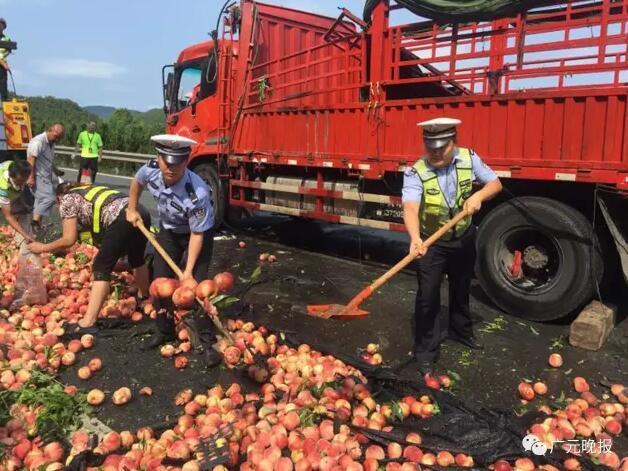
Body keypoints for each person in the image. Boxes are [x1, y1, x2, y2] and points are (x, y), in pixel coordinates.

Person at [402, 117, 503, 375]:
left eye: (441, 147)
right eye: (430, 147)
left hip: (463, 237)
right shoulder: (416, 171)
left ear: (453, 143)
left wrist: (479, 195)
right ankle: (425, 350)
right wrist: (415, 238)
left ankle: (461, 331)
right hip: (431, 241)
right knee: (427, 296)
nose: (435, 153)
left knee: (461, 287)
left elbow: (495, 183)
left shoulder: (469, 158)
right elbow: (411, 207)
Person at [126, 134, 220, 366]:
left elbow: (198, 234)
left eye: (177, 163)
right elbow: (136, 182)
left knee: (197, 290)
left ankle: (206, 341)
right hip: (168, 232)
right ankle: (164, 330)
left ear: (186, 161)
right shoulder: (151, 170)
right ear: (158, 158)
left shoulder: (196, 192)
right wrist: (131, 208)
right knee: (159, 285)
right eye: (167, 161)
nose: (171, 168)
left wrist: (187, 273)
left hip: (196, 234)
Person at [27, 182, 152, 335]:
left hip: (122, 217)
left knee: (100, 267)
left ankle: (88, 322)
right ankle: (144, 299)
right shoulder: (88, 191)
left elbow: (69, 239)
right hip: (140, 212)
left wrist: (42, 247)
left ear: (58, 198)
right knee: (137, 259)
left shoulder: (67, 200)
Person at [26, 124, 65, 232]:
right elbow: (30, 161)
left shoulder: (51, 143)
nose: (57, 139)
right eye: (56, 136)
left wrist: (56, 171)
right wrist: (30, 177)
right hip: (37, 176)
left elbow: (49, 161)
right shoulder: (38, 142)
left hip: (46, 176)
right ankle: (34, 222)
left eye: (59, 138)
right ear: (50, 130)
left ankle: (36, 225)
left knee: (40, 201)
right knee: (50, 198)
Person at [0, 159, 35, 252]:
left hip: (13, 189)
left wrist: (24, 204)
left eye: (25, 179)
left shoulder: (16, 167)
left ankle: (23, 240)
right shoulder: (3, 188)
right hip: (4, 192)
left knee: (27, 206)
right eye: (20, 181)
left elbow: (21, 188)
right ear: (12, 177)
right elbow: (8, 216)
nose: (23, 183)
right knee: (10, 212)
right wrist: (25, 235)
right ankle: (22, 238)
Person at [0, 18, 11, 102]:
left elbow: (9, 51)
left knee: (3, 85)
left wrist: (3, 59)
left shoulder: (7, 39)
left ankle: (4, 102)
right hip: (2, 63)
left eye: (1, 24)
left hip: (2, 66)